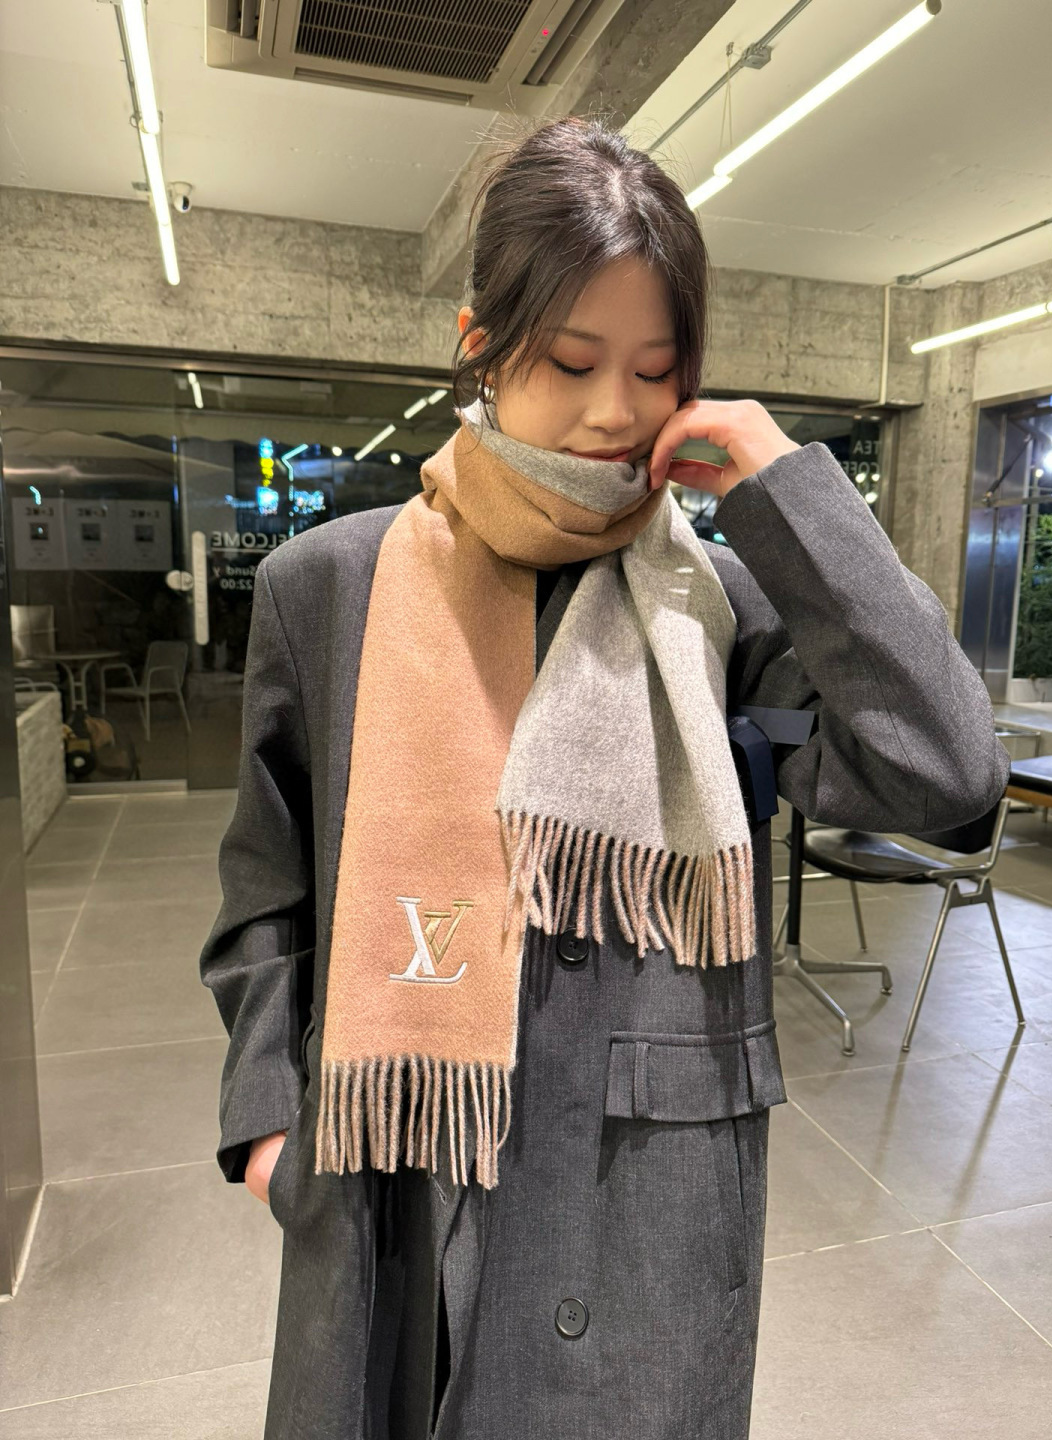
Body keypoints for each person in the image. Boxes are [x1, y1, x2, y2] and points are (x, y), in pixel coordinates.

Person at [199, 115, 1010, 1440]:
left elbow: (947, 770)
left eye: (658, 367)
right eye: (573, 361)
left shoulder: (729, 604)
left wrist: (788, 496)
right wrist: (268, 1124)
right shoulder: (329, 588)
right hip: (397, 1171)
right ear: (482, 343)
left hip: (647, 1201)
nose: (617, 409)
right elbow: (263, 894)